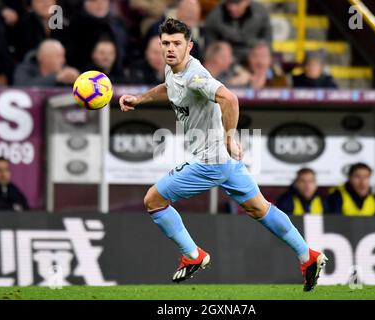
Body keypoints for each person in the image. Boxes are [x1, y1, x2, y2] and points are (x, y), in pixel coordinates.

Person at [119, 19, 327, 291]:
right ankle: (307, 255)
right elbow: (169, 89)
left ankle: (194, 256)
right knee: (259, 208)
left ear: (189, 46)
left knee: (154, 200)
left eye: (177, 44)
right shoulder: (173, 72)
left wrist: (230, 135)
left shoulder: (196, 76)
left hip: (210, 161)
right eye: (166, 43)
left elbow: (230, 98)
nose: (171, 48)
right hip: (227, 163)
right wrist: (140, 99)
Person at [65, 0, 127, 71]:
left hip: (117, 76)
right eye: (94, 1)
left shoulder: (119, 24)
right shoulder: (73, 26)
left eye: (104, 1)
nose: (100, 4)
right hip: (83, 75)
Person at [204, 0, 273, 64]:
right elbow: (209, 48)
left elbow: (267, 40)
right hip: (226, 61)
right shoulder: (215, 15)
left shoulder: (260, 12)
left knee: (263, 52)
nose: (232, 8)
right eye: (229, 2)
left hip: (253, 57)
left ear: (247, 1)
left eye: (237, 3)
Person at [13, 39, 79, 86]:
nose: (63, 60)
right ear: (44, 58)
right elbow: (21, 87)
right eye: (59, 56)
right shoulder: (24, 69)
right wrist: (56, 78)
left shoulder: (64, 70)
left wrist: (77, 79)